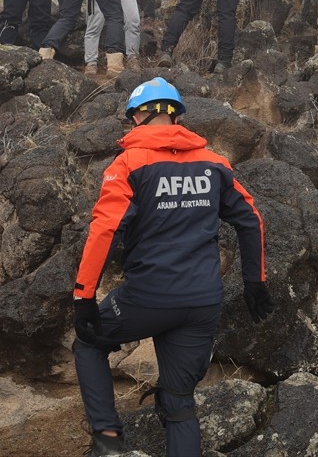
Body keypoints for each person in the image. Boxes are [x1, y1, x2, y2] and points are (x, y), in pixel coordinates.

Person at [72, 78, 273, 457]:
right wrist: (254, 283)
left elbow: (106, 229)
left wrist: (83, 295)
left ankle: (108, 439)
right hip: (202, 302)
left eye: (133, 117)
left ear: (142, 115)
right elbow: (251, 220)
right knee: (180, 402)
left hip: (148, 297)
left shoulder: (129, 163)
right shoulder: (214, 163)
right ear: (175, 115)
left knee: (87, 341)